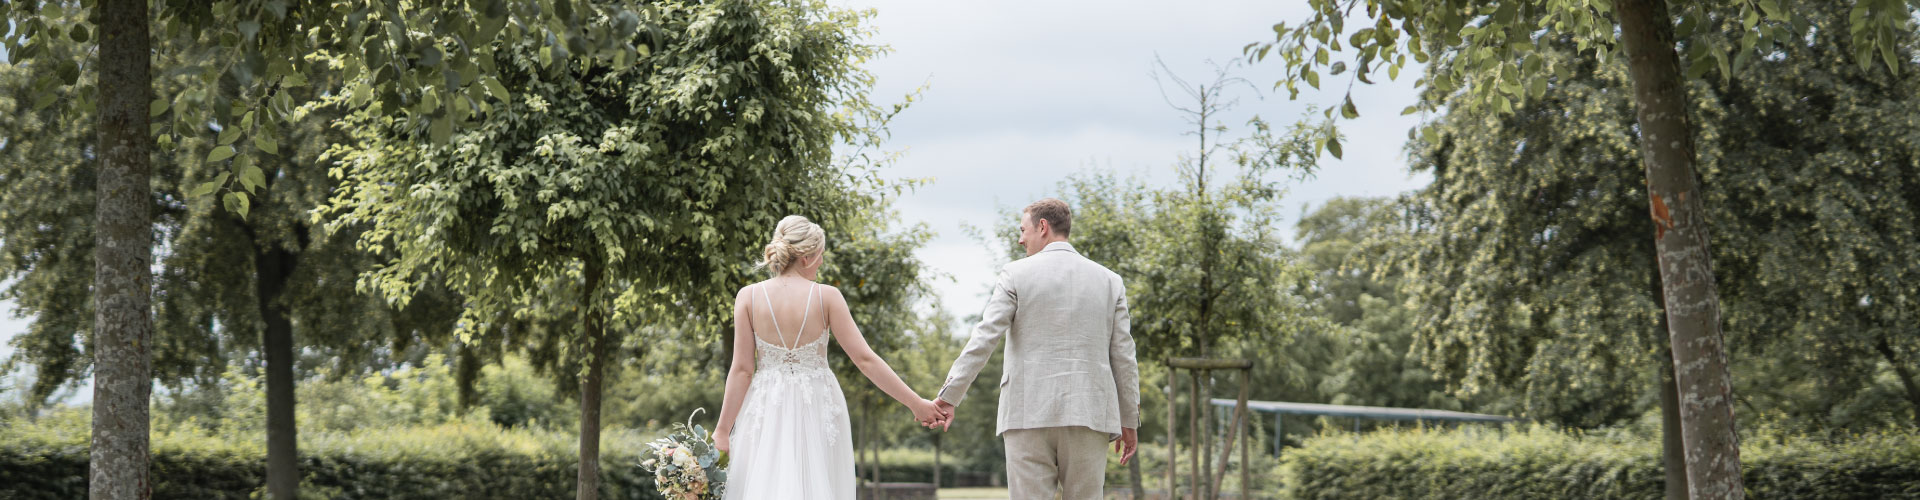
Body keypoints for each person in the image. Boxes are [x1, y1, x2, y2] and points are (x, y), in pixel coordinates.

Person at [712, 215, 946, 500]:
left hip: (765, 405)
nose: (822, 262)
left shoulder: (748, 297)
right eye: (820, 255)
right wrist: (916, 403)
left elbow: (742, 370)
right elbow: (865, 359)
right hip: (818, 405)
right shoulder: (828, 296)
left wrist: (723, 430)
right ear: (808, 257)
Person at [932, 198, 1141, 499]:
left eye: (1023, 230)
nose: (1020, 239)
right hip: (1090, 412)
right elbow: (1124, 356)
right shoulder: (1110, 281)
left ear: (1042, 227)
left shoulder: (1015, 274)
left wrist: (949, 396)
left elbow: (985, 337)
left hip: (1026, 411)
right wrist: (1128, 419)